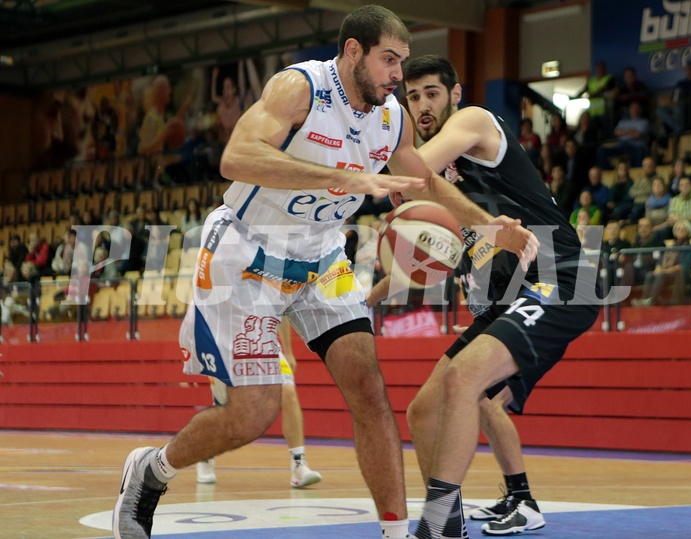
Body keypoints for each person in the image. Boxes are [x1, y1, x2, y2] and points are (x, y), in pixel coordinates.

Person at [112, 8, 538, 539]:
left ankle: (395, 532)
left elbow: (423, 181)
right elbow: (237, 157)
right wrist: (344, 178)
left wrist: (484, 223)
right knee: (252, 413)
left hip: (321, 258)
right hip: (248, 251)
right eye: (389, 60)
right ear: (354, 51)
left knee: (368, 386)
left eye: (402, 63)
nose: (397, 76)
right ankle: (151, 471)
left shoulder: (392, 117)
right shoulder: (299, 88)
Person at [388, 54, 598, 538]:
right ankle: (452, 519)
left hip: (562, 276)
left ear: (455, 94)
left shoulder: (473, 120)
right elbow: (411, 193)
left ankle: (443, 521)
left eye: (431, 93)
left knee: (468, 382)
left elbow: (411, 173)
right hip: (517, 290)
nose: (421, 104)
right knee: (424, 409)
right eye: (412, 96)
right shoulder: (447, 170)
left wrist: (376, 147)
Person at [195, 316, 322, 488]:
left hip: (265, 344)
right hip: (227, 345)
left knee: (288, 392)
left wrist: (288, 351)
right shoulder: (218, 290)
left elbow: (282, 311)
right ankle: (204, 455)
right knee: (226, 410)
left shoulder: (273, 287)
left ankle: (299, 464)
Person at [631, 220, 691, 306]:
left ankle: (651, 300)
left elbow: (684, 265)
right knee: (650, 274)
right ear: (674, 231)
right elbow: (661, 259)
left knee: (661, 275)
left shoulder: (689, 248)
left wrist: (666, 270)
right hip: (666, 272)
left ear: (688, 232)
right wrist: (658, 267)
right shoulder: (672, 246)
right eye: (678, 229)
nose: (680, 231)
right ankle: (644, 299)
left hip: (680, 274)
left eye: (683, 229)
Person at [596, 101, 650, 170]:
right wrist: (631, 131)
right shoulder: (623, 122)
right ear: (629, 110)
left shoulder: (644, 122)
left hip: (636, 146)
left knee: (639, 152)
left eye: (636, 108)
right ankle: (608, 171)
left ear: (640, 110)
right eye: (632, 108)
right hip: (621, 145)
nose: (634, 110)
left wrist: (624, 132)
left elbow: (638, 135)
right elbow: (616, 133)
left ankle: (636, 171)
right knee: (600, 151)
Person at [210, 66, 243, 143]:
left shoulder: (239, 102)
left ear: (234, 90)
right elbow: (213, 97)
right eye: (224, 88)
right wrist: (214, 78)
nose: (226, 91)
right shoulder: (221, 104)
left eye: (228, 87)